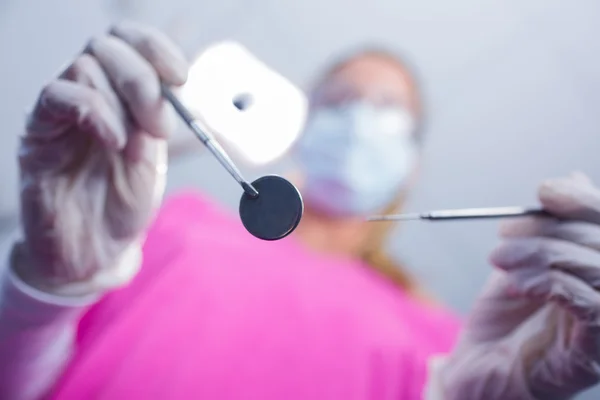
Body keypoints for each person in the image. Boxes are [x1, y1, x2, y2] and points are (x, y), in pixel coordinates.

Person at [0, 21, 599, 400]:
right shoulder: (177, 221)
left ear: (411, 165)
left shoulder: (448, 343)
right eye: (340, 100)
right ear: (303, 125)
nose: (361, 120)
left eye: (389, 111)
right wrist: (46, 290)